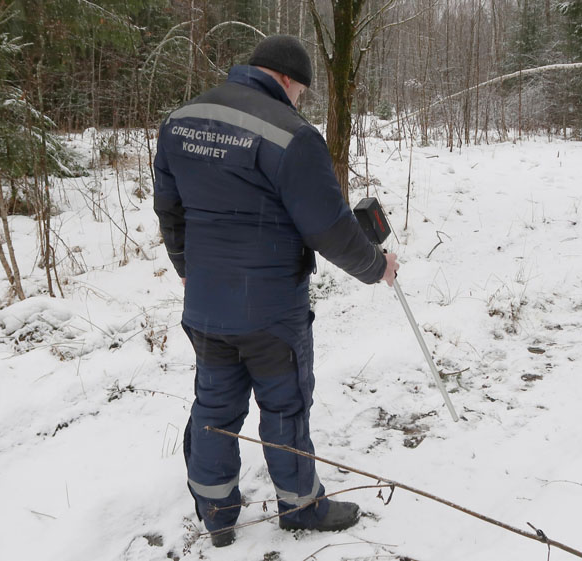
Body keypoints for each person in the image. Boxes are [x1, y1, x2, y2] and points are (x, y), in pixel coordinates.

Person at [153, 35, 400, 548]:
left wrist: (185, 267)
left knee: (214, 408)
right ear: (287, 80)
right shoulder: (291, 134)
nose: (300, 102)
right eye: (302, 93)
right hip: (270, 312)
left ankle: (217, 515)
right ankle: (302, 507)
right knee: (285, 405)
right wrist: (378, 267)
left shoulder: (180, 121)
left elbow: (169, 209)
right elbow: (330, 228)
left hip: (204, 304)